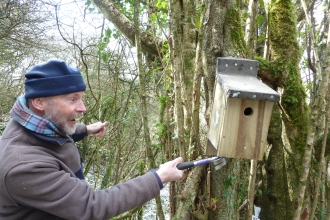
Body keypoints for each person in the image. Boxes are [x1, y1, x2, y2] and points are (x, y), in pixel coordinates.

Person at [0, 59, 184, 220]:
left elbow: (52, 132)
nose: (83, 108)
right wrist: (158, 178)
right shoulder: (23, 167)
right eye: (73, 99)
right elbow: (91, 207)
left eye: (81, 98)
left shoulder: (30, 121)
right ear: (39, 102)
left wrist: (85, 130)